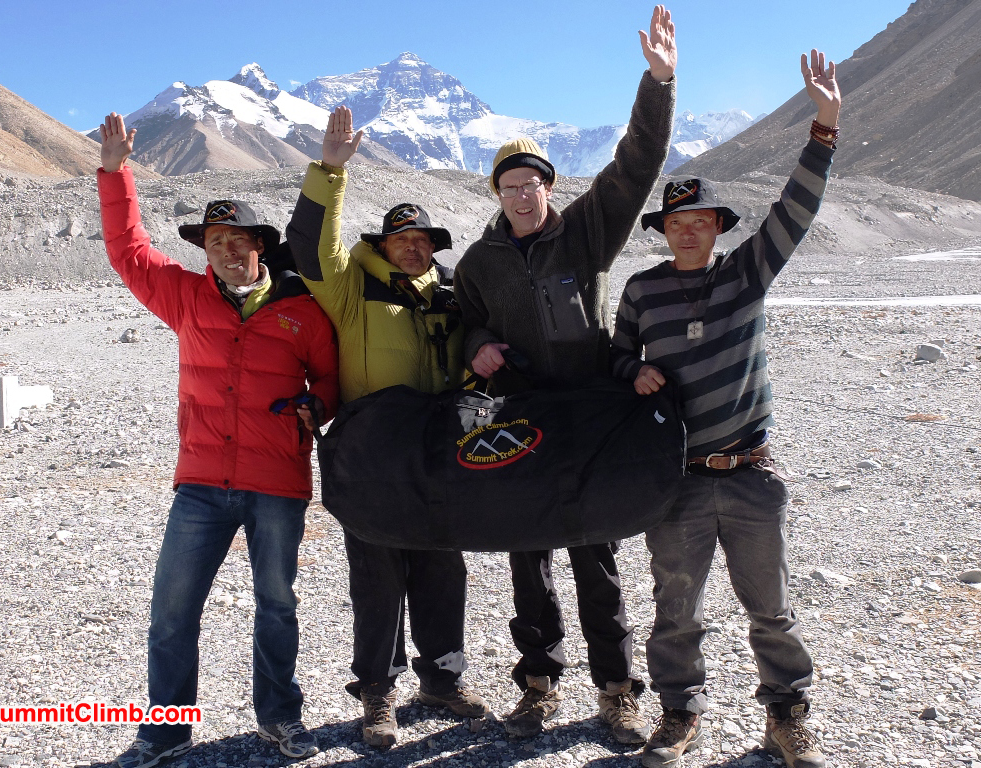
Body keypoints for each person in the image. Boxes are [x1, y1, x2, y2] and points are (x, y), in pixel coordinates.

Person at [609, 51, 841, 768]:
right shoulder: (642, 292)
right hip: (676, 480)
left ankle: (787, 715)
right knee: (676, 612)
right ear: (664, 229)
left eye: (701, 218)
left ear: (717, 226)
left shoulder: (748, 272)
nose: (689, 229)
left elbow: (795, 209)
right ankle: (679, 716)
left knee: (770, 607)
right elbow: (612, 359)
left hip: (748, 473)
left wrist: (824, 130)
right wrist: (634, 368)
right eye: (677, 220)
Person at [452, 5, 677, 744]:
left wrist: (658, 83)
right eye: (508, 186)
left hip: (587, 418)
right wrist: (479, 342)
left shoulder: (586, 231)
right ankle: (539, 683)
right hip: (518, 419)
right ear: (496, 194)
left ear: (548, 186)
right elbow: (463, 321)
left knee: (596, 555)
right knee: (527, 558)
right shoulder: (481, 261)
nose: (521, 195)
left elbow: (636, 164)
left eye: (532, 183)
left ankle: (616, 688)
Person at [96, 113, 340, 768]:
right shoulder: (184, 298)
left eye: (239, 239)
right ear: (205, 248)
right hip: (200, 486)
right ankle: (166, 731)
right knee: (171, 614)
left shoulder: (303, 312)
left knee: (277, 608)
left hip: (277, 486)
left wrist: (314, 407)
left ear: (262, 245)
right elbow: (128, 250)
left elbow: (333, 381)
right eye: (214, 240)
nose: (227, 250)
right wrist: (116, 171)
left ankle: (280, 721)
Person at [286, 105, 488, 748]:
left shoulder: (452, 296)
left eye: (423, 240)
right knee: (376, 576)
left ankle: (442, 678)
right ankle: (378, 692)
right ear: (381, 245)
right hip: (373, 455)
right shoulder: (350, 287)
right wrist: (329, 172)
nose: (414, 246)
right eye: (402, 239)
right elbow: (309, 244)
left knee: (441, 566)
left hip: (439, 454)